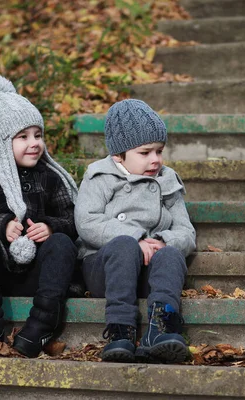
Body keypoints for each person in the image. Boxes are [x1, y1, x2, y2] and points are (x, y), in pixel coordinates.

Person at [0, 75, 79, 358]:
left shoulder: (50, 179)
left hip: (39, 274)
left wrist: (49, 226)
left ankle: (41, 326)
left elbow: (71, 219)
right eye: (23, 137)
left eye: (38, 135)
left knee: (62, 244)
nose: (34, 143)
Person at [75, 99, 196, 363]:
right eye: (145, 153)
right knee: (123, 245)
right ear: (119, 155)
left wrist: (165, 242)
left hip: (149, 270)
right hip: (106, 269)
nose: (155, 160)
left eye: (159, 151)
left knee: (173, 254)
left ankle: (161, 327)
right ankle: (121, 329)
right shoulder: (99, 176)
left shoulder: (167, 180)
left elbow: (186, 231)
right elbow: (86, 222)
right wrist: (136, 238)